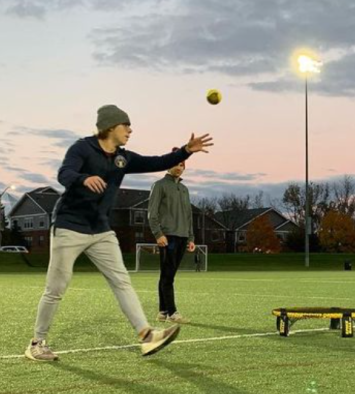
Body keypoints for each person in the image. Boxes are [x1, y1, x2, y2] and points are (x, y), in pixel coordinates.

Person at [24, 104, 213, 362]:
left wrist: (185, 151)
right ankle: (37, 343)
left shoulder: (123, 158)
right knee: (56, 287)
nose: (131, 130)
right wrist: (83, 178)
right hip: (70, 225)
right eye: (127, 125)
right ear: (111, 126)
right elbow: (64, 173)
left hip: (101, 229)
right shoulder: (82, 148)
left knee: (122, 281)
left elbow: (157, 162)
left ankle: (147, 336)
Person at [148, 151, 195, 323]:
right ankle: (172, 313)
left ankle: (162, 311)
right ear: (169, 164)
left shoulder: (184, 189)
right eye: (176, 163)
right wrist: (158, 234)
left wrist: (191, 238)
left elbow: (189, 215)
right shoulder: (159, 185)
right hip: (168, 237)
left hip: (183, 236)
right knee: (168, 275)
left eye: (182, 164)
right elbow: (151, 213)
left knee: (168, 275)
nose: (179, 167)